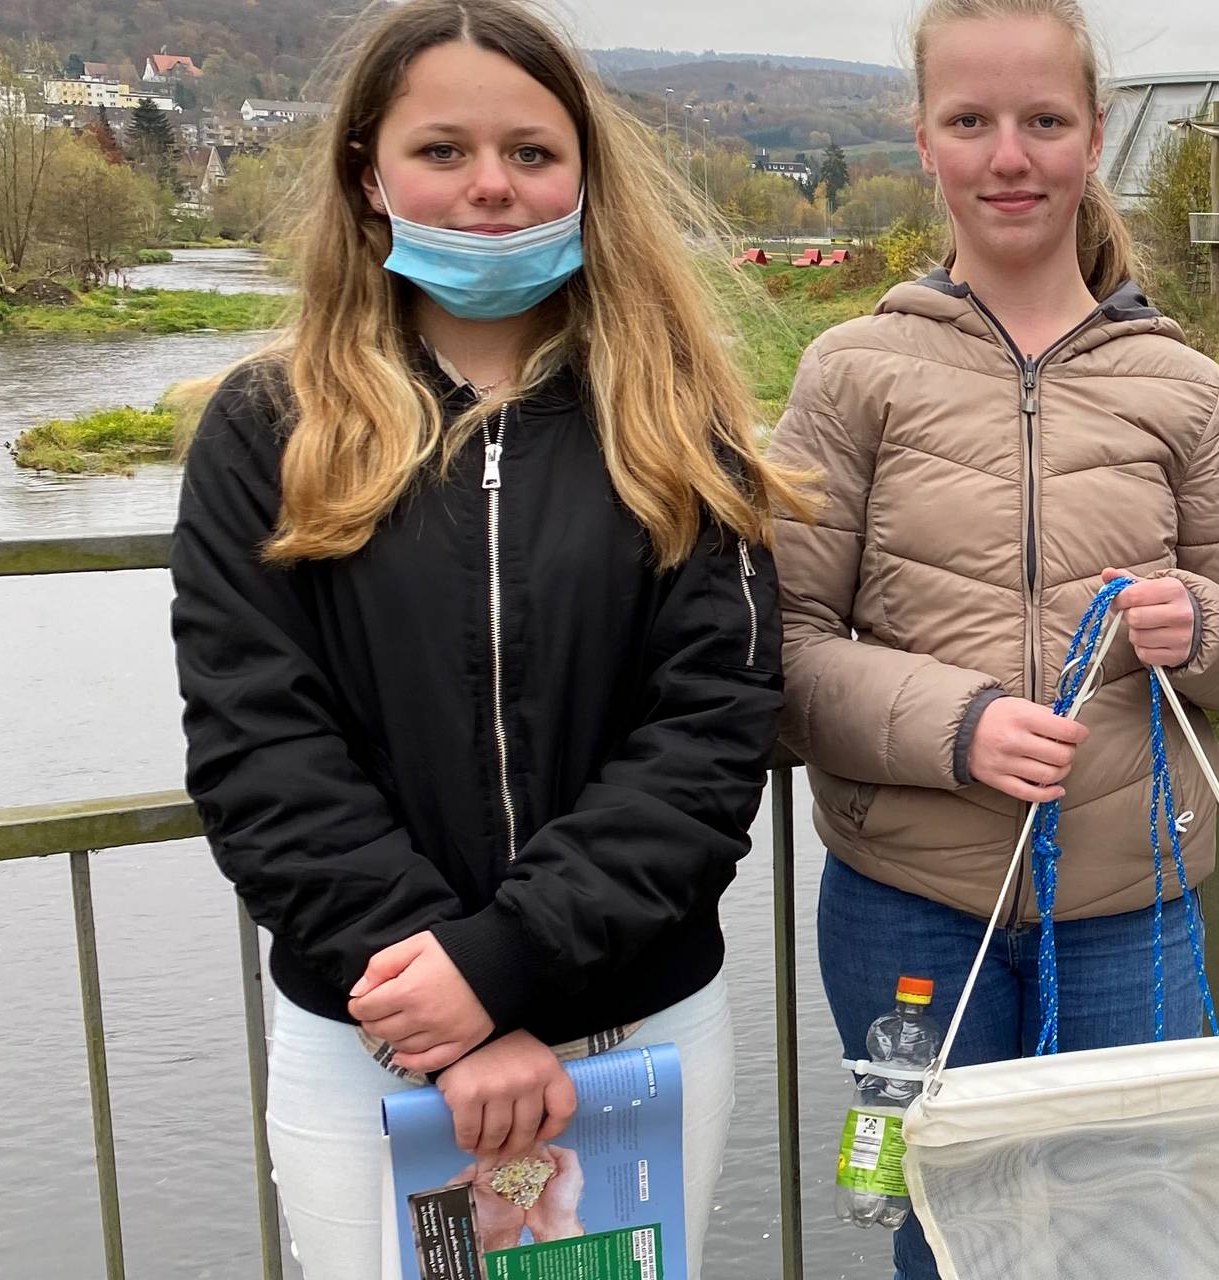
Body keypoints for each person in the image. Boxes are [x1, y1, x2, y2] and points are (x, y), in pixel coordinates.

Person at [167, 2, 811, 1275]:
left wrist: (509, 958)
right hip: (377, 1040)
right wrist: (447, 1009)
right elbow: (260, 744)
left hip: (633, 1026)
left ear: (583, 176)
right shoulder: (265, 427)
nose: (490, 189)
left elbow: (705, 736)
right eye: (441, 150)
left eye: (530, 152)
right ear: (368, 175)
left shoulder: (677, 425)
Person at [766, 2, 1219, 1276]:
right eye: (972, 121)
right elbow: (775, 652)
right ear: (925, 140)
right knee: (949, 1243)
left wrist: (1198, 624)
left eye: (1044, 121)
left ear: (1094, 137)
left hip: (1128, 905)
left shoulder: (1183, 385)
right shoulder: (851, 371)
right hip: (910, 908)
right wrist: (958, 727)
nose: (1011, 154)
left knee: (1129, 1239)